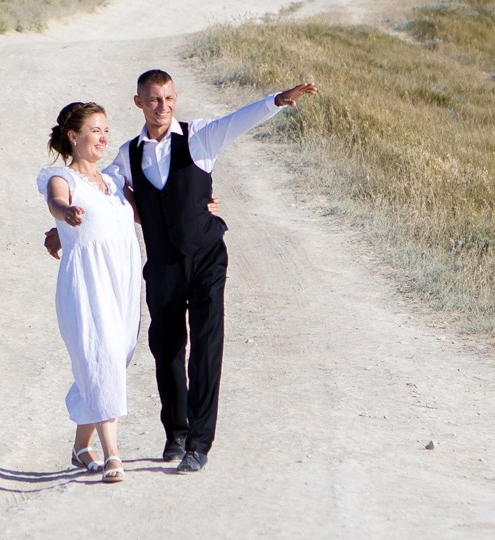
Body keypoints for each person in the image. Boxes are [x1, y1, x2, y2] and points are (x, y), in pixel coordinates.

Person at [49, 70, 315, 473]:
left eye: (170, 98)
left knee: (206, 346)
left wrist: (276, 100)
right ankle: (176, 432)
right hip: (163, 265)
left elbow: (237, 120)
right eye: (155, 99)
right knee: (166, 348)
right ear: (139, 102)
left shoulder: (200, 136)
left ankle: (199, 443)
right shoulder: (126, 155)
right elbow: (98, 196)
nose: (164, 106)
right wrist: (61, 228)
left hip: (206, 257)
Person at [38, 101, 140, 483]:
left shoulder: (113, 180)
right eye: (95, 130)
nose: (103, 137)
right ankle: (113, 455)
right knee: (103, 358)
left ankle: (81, 448)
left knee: (115, 358)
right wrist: (64, 215)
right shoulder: (61, 177)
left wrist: (199, 207)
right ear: (73, 136)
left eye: (106, 130)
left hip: (124, 280)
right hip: (86, 282)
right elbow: (56, 201)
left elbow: (149, 213)